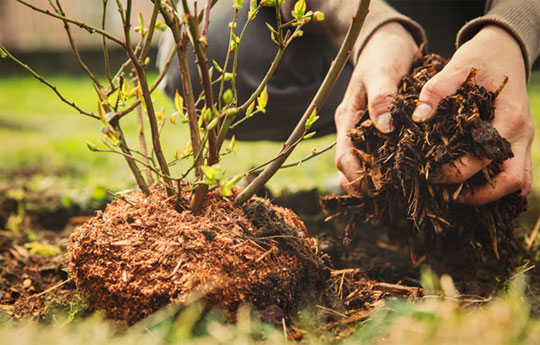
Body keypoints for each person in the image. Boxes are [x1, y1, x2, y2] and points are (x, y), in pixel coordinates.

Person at [158, 0, 539, 205]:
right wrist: (370, 27)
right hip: (367, 13)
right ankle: (389, 93)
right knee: (197, 58)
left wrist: (513, 31)